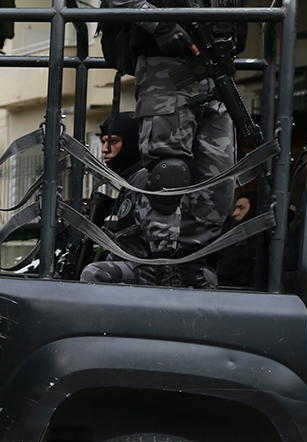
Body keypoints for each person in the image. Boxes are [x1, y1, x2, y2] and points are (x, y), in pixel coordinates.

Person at [101, 0, 240, 289]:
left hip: (217, 66)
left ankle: (191, 261)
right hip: (166, 63)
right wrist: (160, 23)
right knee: (168, 170)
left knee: (220, 180)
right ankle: (165, 263)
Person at [80, 112, 156, 284]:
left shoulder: (143, 178)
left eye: (113, 142)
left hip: (164, 268)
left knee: (95, 273)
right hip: (150, 264)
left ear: (132, 142)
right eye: (104, 142)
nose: (105, 149)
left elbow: (133, 244)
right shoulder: (134, 178)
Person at [216, 190, 259, 287]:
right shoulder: (228, 234)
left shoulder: (262, 241)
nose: (235, 213)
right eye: (236, 208)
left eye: (241, 208)